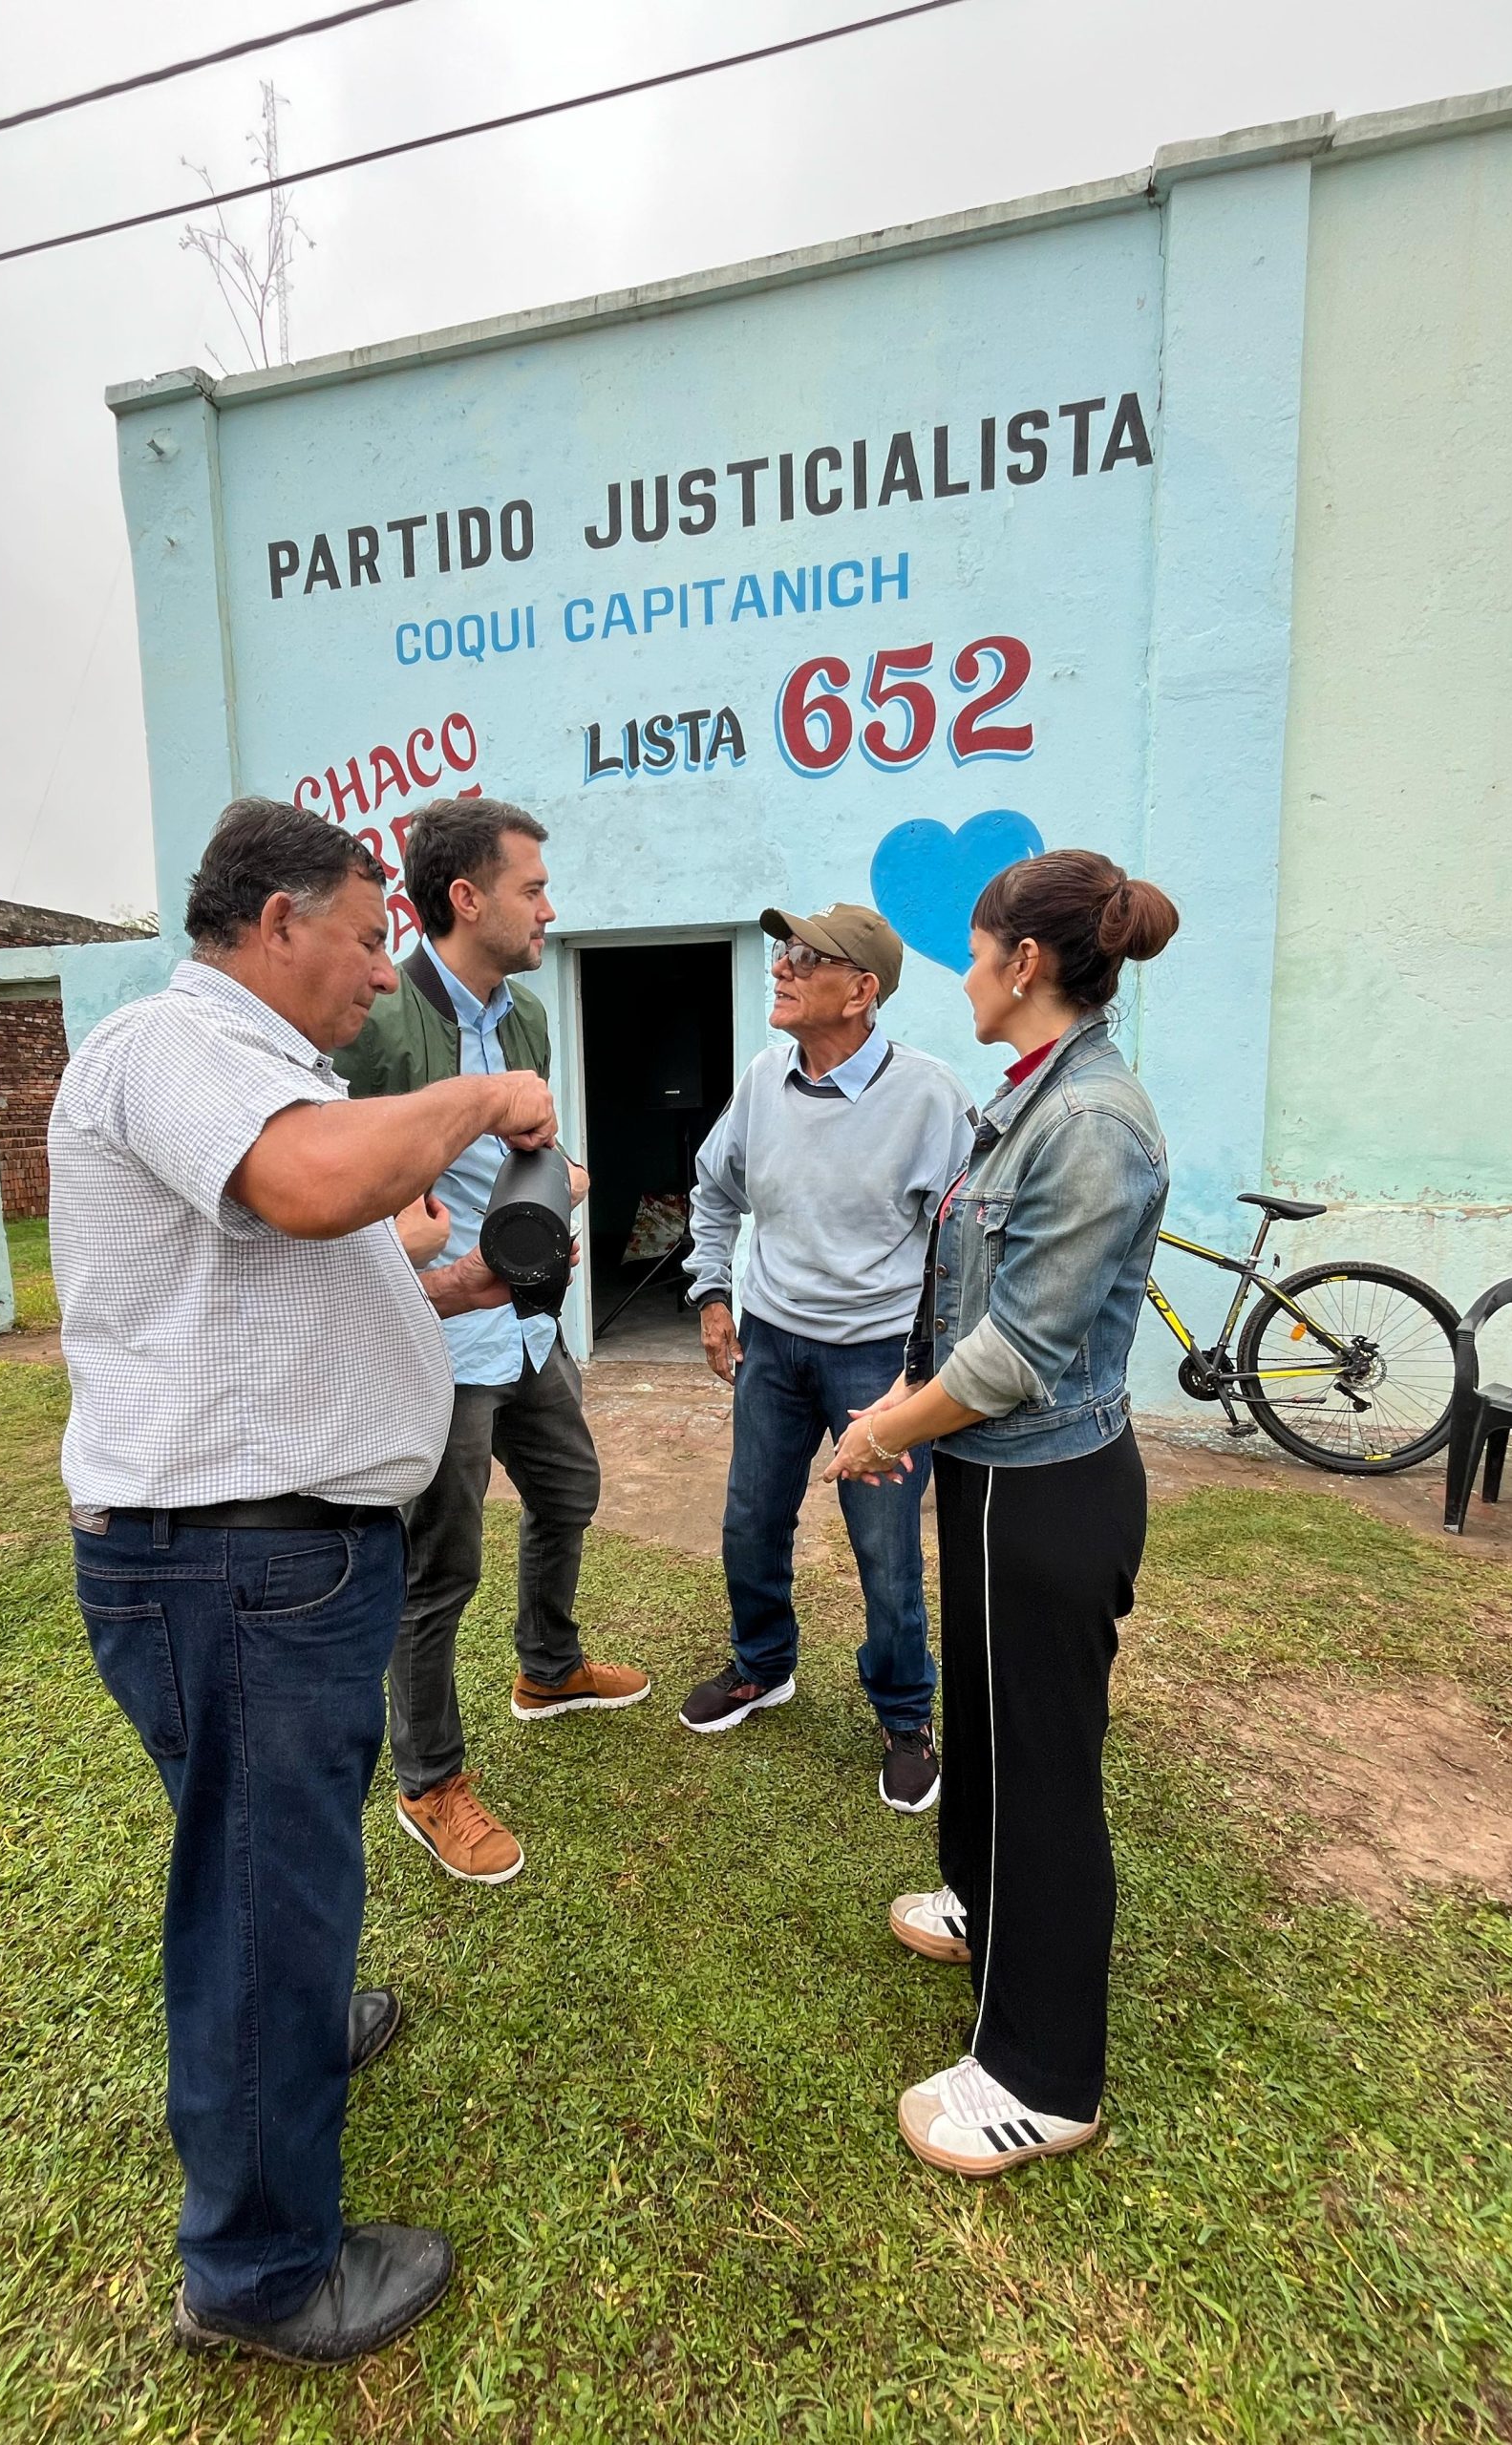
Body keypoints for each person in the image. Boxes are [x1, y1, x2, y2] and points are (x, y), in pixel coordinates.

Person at [51, 797, 562, 2366]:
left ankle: (295, 2040)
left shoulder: (278, 1083)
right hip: (234, 1563)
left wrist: (466, 1281)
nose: (381, 971)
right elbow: (306, 1187)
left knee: (273, 1867)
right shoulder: (175, 1046)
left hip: (273, 1563)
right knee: (264, 1901)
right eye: (362, 938)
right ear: (277, 924)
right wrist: (487, 1095)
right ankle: (263, 2276)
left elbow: (313, 1270)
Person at [824, 849, 1180, 2179]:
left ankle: (1042, 2074)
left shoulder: (1092, 1122)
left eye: (974, 955)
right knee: (985, 1725)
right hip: (994, 1474)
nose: (964, 977)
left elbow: (1021, 1350)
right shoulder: (1034, 1094)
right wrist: (912, 1401)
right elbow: (967, 1299)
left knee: (1043, 1768)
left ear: (1024, 963)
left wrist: (882, 1430)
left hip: (1047, 1487)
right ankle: (983, 1904)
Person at [335, 797, 648, 1885]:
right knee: (439, 1570)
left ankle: (547, 1668)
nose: (549, 909)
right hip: (438, 1338)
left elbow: (519, 1151)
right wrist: (414, 1250)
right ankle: (428, 1781)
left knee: (569, 1491)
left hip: (526, 1325)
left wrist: (554, 1182)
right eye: (533, 888)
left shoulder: (527, 1018)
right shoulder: (380, 1026)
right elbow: (336, 1176)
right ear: (466, 898)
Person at [678, 903, 976, 1813]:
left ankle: (904, 1713)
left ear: (861, 991)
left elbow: (963, 1247)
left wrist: (922, 1371)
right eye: (782, 952)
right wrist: (713, 1294)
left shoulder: (930, 1097)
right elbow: (714, 1188)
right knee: (751, 1519)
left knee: (885, 1547)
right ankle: (762, 1665)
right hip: (771, 1344)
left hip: (877, 1359)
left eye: (805, 957)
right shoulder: (762, 1080)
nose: (781, 968)